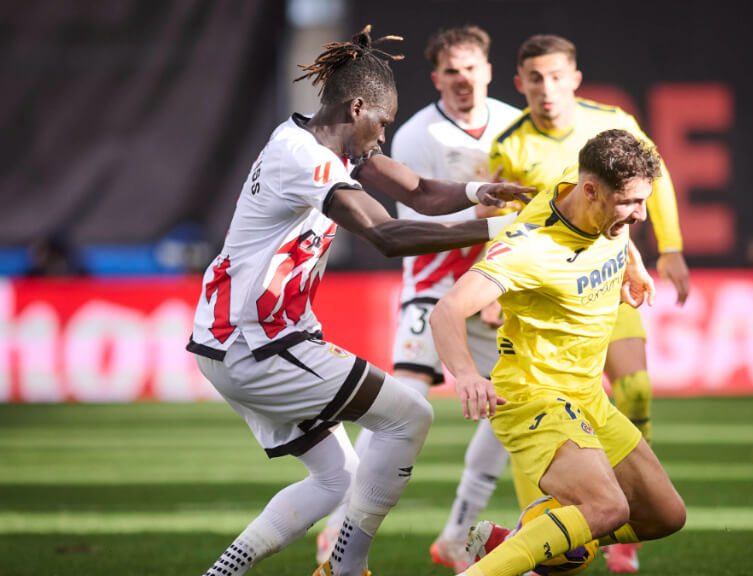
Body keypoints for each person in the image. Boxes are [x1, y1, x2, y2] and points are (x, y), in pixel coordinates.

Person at [186, 26, 530, 576]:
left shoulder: (320, 140)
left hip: (239, 339)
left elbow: (417, 191)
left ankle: (222, 573)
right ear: (356, 108)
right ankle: (346, 569)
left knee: (337, 478)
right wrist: (499, 230)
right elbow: (387, 234)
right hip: (257, 343)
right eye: (382, 123)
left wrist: (475, 193)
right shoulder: (306, 158)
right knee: (410, 416)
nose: (382, 137)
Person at [431, 129, 687, 576]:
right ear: (591, 192)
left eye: (644, 201)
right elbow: (446, 311)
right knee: (607, 508)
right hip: (534, 398)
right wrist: (468, 375)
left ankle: (523, 539)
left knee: (665, 516)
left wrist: (631, 260)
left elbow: (615, 220)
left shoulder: (585, 184)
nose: (641, 214)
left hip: (588, 397)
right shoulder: (528, 247)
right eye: (630, 203)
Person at [313, 25, 522, 572]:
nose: (462, 79)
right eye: (452, 71)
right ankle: (339, 525)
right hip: (434, 286)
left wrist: (503, 278)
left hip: (495, 286)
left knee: (514, 403)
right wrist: (486, 218)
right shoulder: (414, 134)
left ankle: (456, 533)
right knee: (404, 403)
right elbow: (418, 217)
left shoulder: (514, 124)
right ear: (437, 78)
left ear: (488, 71)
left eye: (471, 68)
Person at [487, 33, 691, 573]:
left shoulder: (612, 123)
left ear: (575, 79)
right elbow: (507, 224)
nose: (547, 88)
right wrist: (495, 287)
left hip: (607, 281)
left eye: (556, 76)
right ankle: (550, 529)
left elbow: (649, 186)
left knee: (636, 387)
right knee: (543, 430)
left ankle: (601, 512)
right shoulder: (510, 145)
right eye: (536, 78)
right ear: (520, 84)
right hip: (547, 289)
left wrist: (663, 250)